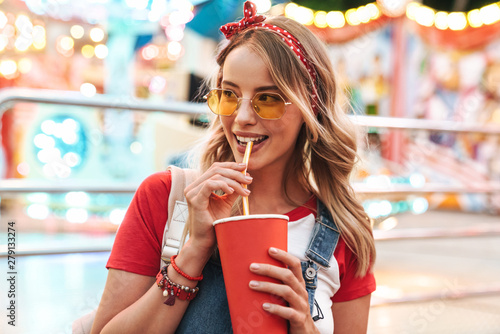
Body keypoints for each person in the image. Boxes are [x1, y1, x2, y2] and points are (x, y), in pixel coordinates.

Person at [91, 2, 376, 333]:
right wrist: (193, 252)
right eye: (229, 95)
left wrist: (304, 327)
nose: (241, 118)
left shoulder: (345, 231)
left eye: (267, 99)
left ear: (309, 108)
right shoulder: (165, 198)